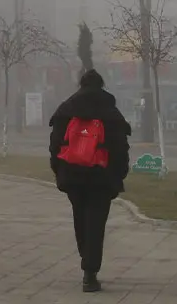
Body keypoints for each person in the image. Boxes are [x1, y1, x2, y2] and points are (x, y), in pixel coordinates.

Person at [49, 69, 130, 293]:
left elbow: (55, 145)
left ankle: (87, 257)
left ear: (81, 84)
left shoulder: (67, 109)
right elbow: (120, 148)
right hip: (101, 177)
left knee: (80, 218)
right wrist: (119, 174)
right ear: (101, 85)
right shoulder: (110, 111)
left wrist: (59, 170)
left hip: (73, 175)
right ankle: (90, 272)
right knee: (96, 223)